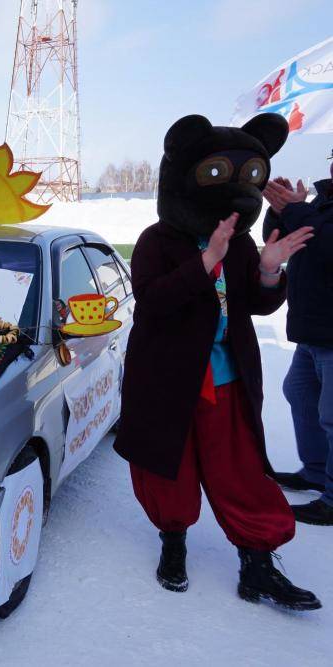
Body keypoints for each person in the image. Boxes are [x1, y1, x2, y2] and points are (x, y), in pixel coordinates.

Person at [114, 113, 321, 610]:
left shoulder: (244, 243)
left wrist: (269, 273)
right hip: (167, 381)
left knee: (241, 470)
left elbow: (255, 301)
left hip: (226, 379)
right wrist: (205, 263)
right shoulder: (155, 242)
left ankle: (257, 565)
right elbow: (153, 300)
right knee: (169, 469)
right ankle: (173, 543)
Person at [262, 148, 333, 525]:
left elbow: (326, 244)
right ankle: (317, 470)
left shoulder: (318, 209)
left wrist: (295, 209)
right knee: (300, 391)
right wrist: (280, 211)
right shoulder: (323, 201)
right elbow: (279, 238)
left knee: (332, 414)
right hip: (314, 330)